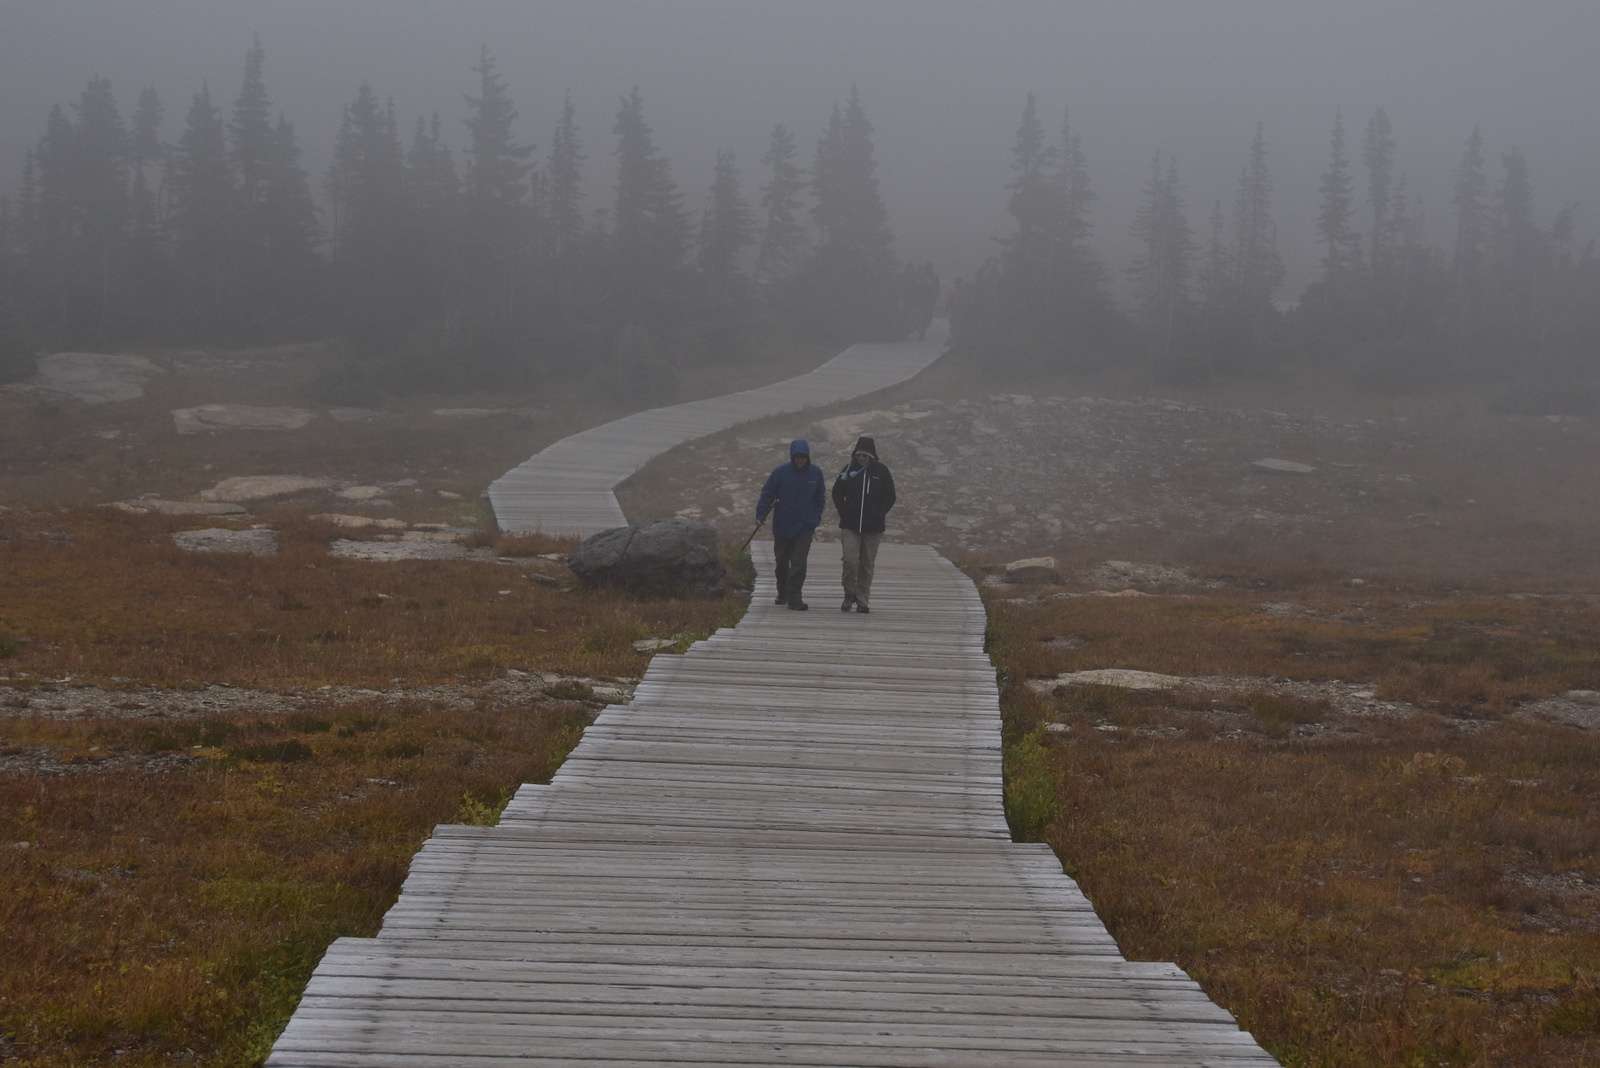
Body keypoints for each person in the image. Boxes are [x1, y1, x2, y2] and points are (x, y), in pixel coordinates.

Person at [755, 439, 826, 610]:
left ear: (808, 456)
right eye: (797, 457)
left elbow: (820, 497)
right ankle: (783, 593)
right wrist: (760, 515)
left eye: (803, 457)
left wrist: (815, 518)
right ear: (792, 456)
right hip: (783, 526)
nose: (800, 460)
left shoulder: (816, 473)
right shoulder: (780, 473)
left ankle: (795, 598)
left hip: (805, 527)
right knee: (781, 563)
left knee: (799, 563)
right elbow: (767, 495)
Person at [832, 436, 895, 614]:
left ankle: (862, 599)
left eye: (865, 455)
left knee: (867, 564)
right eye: (859, 455)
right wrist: (844, 511)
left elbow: (890, 495)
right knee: (850, 561)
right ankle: (848, 593)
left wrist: (880, 512)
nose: (861, 459)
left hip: (873, 527)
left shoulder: (882, 472)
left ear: (872, 456)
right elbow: (837, 492)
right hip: (850, 525)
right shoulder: (848, 470)